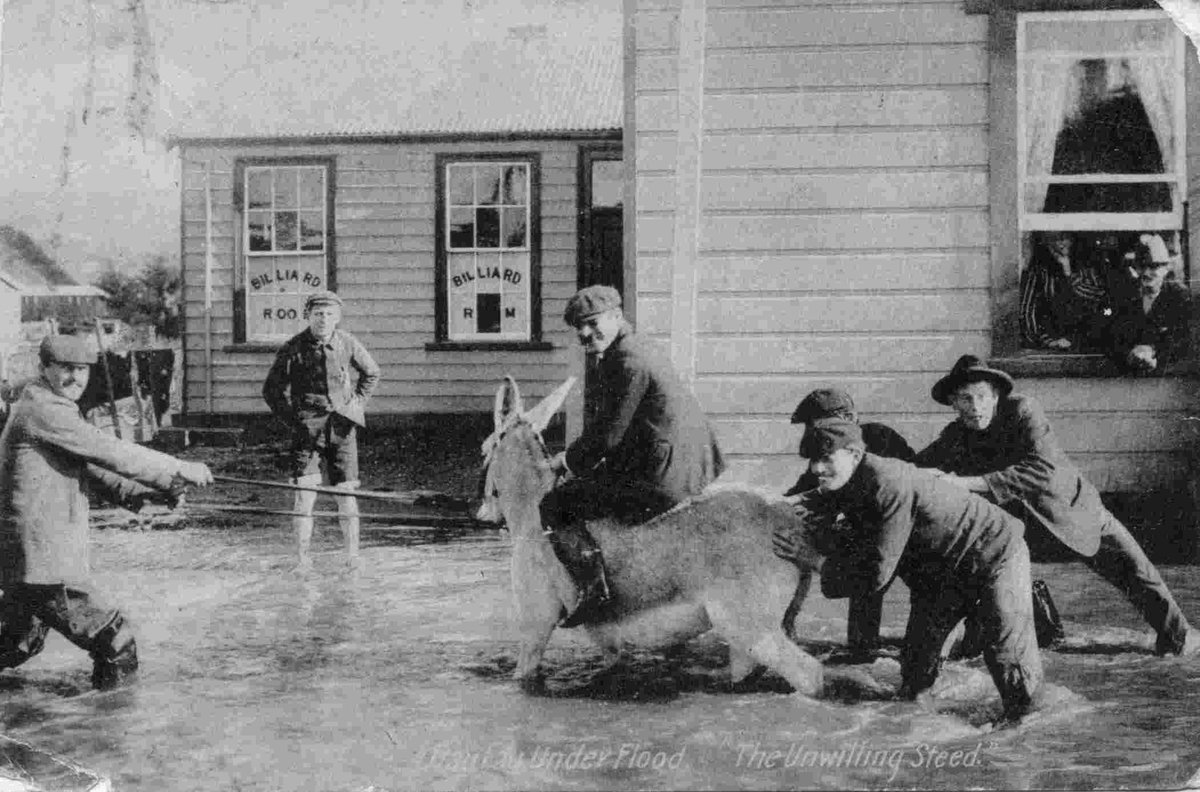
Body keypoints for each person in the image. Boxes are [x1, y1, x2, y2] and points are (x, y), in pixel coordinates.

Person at [915, 354, 1198, 656]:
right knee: (989, 579)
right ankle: (1021, 636)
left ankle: (1180, 638)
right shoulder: (957, 435)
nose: (975, 407)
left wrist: (963, 482)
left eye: (982, 397)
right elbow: (915, 467)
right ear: (953, 404)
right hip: (1024, 526)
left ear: (996, 395)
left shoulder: (1023, 410)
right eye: (965, 399)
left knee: (1135, 573)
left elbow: (1041, 469)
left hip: (1071, 510)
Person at [0, 335, 214, 690]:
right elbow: (107, 450)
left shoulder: (47, 405)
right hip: (42, 559)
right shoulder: (43, 408)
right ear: (43, 368)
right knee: (114, 640)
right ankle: (110, 731)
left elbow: (91, 469)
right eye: (66, 369)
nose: (76, 379)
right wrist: (178, 468)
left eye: (82, 370)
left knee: (16, 643)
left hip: (26, 558)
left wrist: (153, 491)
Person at [798, 418, 1043, 723]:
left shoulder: (887, 482)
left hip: (996, 554)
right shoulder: (846, 477)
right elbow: (813, 503)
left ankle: (1026, 747)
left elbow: (876, 576)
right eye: (812, 460)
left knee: (1012, 670)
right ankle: (919, 739)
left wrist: (816, 560)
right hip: (942, 571)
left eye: (826, 459)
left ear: (855, 454)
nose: (816, 469)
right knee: (916, 673)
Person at [541, 285, 725, 627]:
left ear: (616, 316)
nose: (584, 332)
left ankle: (595, 593)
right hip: (687, 462)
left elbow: (607, 435)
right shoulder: (637, 347)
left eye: (592, 322)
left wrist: (564, 462)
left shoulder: (626, 361)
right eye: (578, 327)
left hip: (663, 475)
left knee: (555, 504)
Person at [779, 388, 915, 659]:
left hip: (907, 534)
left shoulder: (879, 439)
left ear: (849, 417)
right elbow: (807, 494)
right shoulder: (828, 447)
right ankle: (862, 651)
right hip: (869, 536)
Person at [262, 291, 381, 570]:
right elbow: (272, 391)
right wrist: (295, 420)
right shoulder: (293, 348)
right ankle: (302, 559)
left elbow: (371, 373)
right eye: (318, 314)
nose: (323, 320)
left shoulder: (347, 342)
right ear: (308, 316)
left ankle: (352, 557)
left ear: (337, 318)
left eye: (329, 314)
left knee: (347, 494)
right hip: (307, 431)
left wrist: (356, 406)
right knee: (305, 496)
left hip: (342, 428)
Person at [1107, 233, 1191, 375]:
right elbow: (1109, 333)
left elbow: (1184, 339)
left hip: (1167, 377)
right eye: (1141, 266)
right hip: (1124, 378)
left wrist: (1153, 351)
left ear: (1165, 269)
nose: (1146, 273)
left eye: (1153, 267)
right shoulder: (1123, 295)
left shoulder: (1179, 297)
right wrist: (1129, 353)